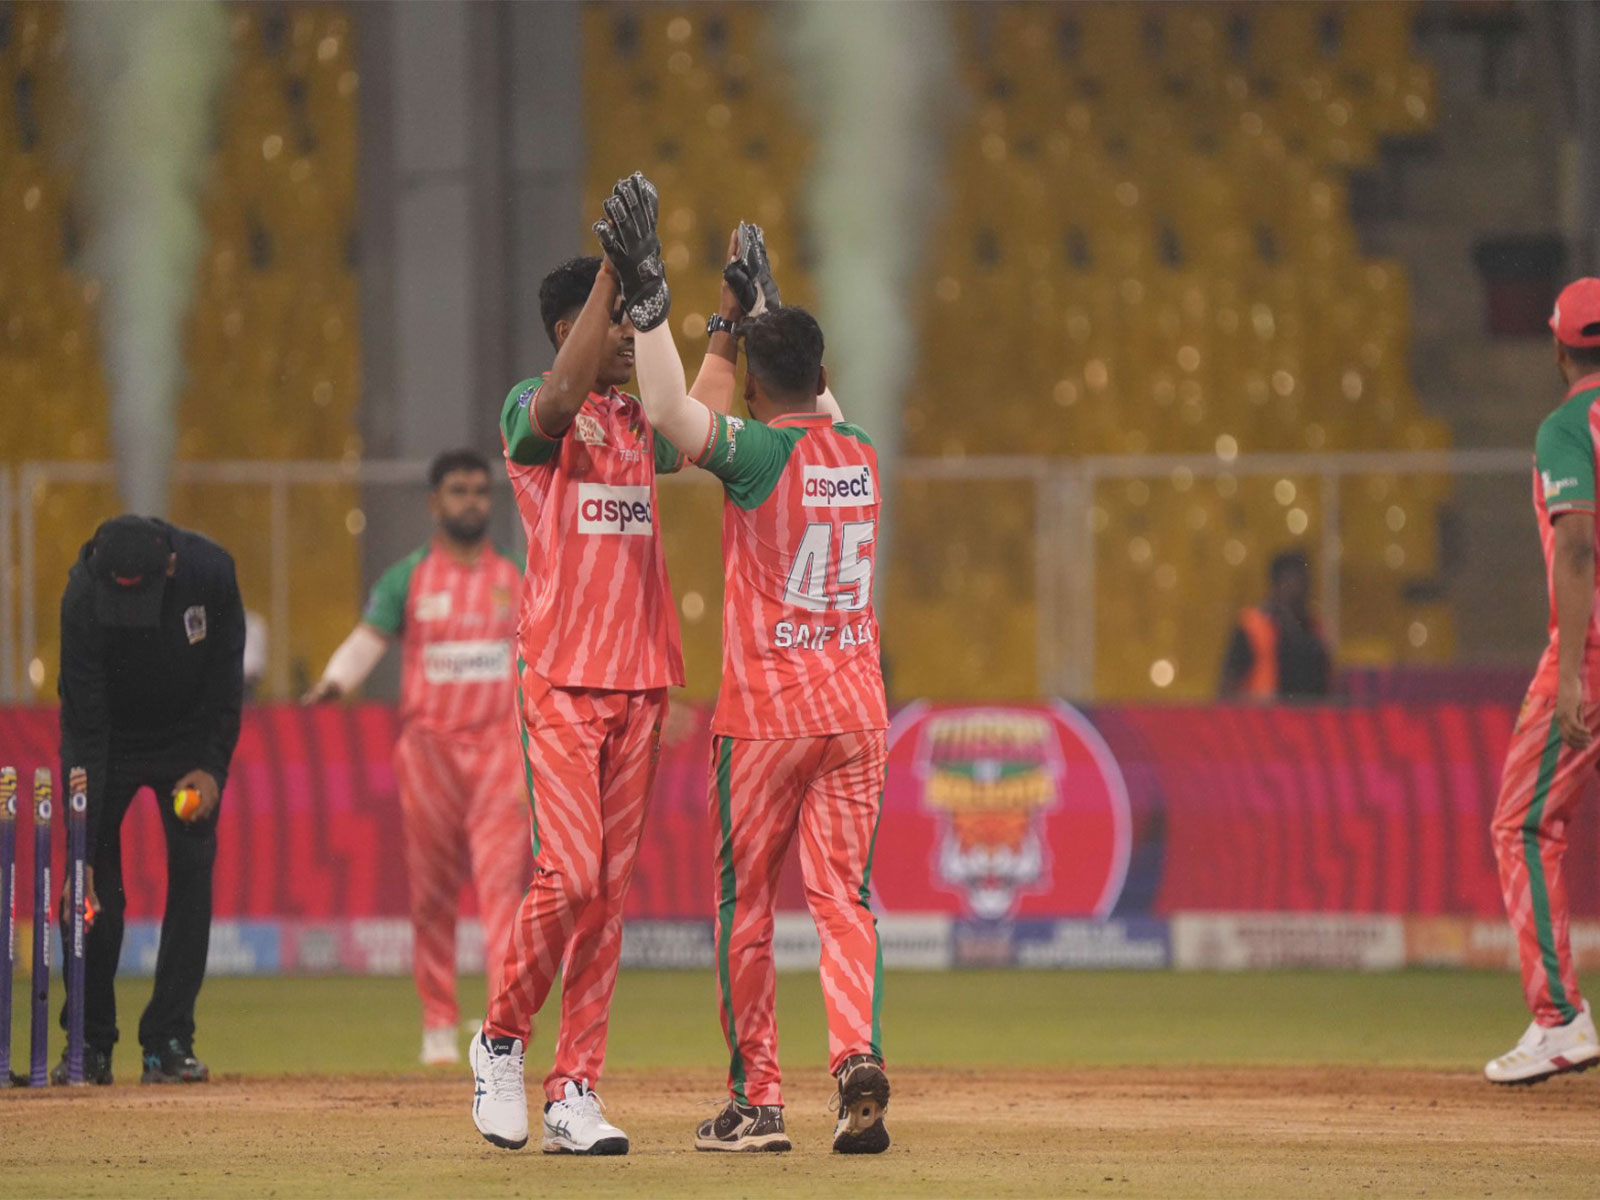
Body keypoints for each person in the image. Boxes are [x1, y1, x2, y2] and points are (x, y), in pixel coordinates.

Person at [600, 175, 892, 1154]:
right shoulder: (860, 452)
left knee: (746, 909)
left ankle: (758, 1101)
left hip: (767, 722)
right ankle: (855, 1057)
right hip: (856, 716)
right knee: (843, 899)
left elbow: (668, 414)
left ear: (760, 390)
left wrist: (650, 301)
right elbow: (818, 392)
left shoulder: (759, 454)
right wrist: (758, 315)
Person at [467, 220, 740, 1155]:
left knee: (609, 897)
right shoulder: (531, 412)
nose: (632, 338)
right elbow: (553, 402)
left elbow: (699, 419)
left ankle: (573, 1090)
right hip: (560, 678)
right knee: (568, 873)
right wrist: (612, 280)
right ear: (571, 328)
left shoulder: (637, 424)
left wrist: (729, 330)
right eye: (620, 324)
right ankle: (500, 1041)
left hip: (642, 684)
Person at [304, 448, 529, 1066]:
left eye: (481, 492)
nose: (472, 503)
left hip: (500, 755)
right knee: (431, 894)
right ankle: (438, 1021)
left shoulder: (516, 575)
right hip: (428, 755)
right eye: (458, 491)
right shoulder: (409, 578)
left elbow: (548, 649)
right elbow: (370, 635)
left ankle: (499, 1026)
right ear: (435, 503)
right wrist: (332, 683)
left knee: (503, 894)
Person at [55, 514, 245, 1085]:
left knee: (191, 871)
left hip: (186, 745)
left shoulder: (210, 573)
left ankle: (168, 1039)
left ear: (168, 567)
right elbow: (82, 723)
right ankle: (89, 1043)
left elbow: (225, 681)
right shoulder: (82, 595)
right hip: (107, 745)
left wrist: (212, 768)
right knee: (93, 892)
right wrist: (79, 853)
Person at [1484, 277, 1600, 1083]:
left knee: (1522, 825)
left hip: (1591, 650)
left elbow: (1578, 544)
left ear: (1558, 348)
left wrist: (1569, 677)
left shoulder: (1568, 426)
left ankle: (1559, 1019)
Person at [1218, 550, 1332, 700]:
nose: (1300, 591)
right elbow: (1228, 684)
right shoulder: (1252, 626)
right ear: (1276, 585)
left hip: (1310, 719)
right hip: (1265, 719)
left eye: (1305, 583)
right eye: (1292, 583)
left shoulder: (1314, 628)